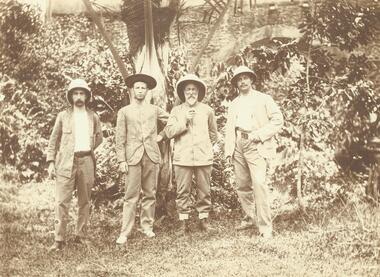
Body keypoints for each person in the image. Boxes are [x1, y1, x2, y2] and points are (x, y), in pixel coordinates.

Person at [224, 65, 283, 239]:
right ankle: (250, 218)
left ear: (251, 80)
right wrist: (229, 151)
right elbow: (229, 128)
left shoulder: (264, 99)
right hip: (238, 144)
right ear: (236, 83)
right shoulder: (233, 103)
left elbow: (278, 120)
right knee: (242, 185)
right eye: (239, 79)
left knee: (259, 183)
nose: (242, 81)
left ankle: (265, 227)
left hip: (256, 143)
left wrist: (259, 135)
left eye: (245, 78)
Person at [47, 78, 103, 251]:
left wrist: (87, 149)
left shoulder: (93, 117)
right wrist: (51, 162)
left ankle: (81, 236)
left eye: (82, 93)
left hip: (86, 161)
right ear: (70, 97)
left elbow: (99, 138)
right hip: (65, 163)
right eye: (75, 93)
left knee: (84, 201)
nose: (79, 97)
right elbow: (53, 140)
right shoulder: (63, 116)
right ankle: (59, 239)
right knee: (61, 201)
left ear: (87, 96)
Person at [115, 73, 169, 246]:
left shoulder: (154, 110)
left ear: (147, 91)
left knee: (150, 193)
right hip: (132, 157)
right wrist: (121, 160)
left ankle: (147, 227)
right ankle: (125, 231)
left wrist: (162, 135)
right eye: (137, 87)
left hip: (152, 155)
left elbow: (172, 120)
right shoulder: (124, 112)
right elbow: (120, 138)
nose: (140, 90)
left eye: (143, 88)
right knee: (130, 195)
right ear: (132, 90)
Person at [165, 74, 217, 234]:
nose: (191, 93)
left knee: (204, 191)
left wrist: (205, 146)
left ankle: (203, 220)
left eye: (194, 89)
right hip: (183, 158)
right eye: (188, 89)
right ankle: (183, 222)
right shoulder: (176, 110)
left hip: (203, 157)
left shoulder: (207, 110)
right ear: (183, 93)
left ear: (199, 92)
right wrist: (184, 121)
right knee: (182, 192)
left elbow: (213, 134)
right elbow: (168, 132)